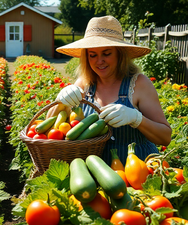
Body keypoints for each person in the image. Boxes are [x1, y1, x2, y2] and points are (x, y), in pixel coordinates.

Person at [54, 16, 171, 165]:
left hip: (137, 173)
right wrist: (60, 102)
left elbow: (165, 137)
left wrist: (137, 119)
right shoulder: (84, 84)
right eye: (92, 55)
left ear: (119, 53)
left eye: (106, 53)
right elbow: (49, 128)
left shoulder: (138, 84)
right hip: (94, 172)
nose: (99, 61)